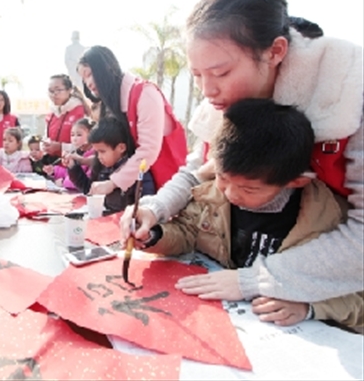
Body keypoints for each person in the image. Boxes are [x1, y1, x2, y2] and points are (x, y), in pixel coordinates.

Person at [121, 0, 363, 303]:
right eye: (197, 75)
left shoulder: (348, 96)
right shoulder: (224, 104)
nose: (207, 91)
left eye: (221, 73)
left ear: (275, 51)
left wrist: (258, 280)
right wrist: (155, 208)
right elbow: (199, 169)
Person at [140, 99, 362, 332]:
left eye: (249, 189)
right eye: (222, 178)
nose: (230, 194)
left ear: (296, 182)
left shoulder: (328, 222)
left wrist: (309, 307)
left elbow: (356, 297)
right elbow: (188, 231)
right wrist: (153, 236)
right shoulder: (213, 195)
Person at [77, 46, 187, 197]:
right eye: (84, 79)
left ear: (105, 67)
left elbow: (148, 150)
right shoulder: (111, 103)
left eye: (89, 74)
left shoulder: (145, 93)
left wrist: (113, 183)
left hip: (162, 182)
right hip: (136, 185)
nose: (88, 83)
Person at [67, 116, 155, 213]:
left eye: (102, 151)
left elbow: (146, 205)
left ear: (121, 148)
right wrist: (73, 168)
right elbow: (90, 190)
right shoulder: (102, 167)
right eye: (97, 152)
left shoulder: (137, 172)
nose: (99, 157)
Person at [42, 74, 89, 163]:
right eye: (50, 91)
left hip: (75, 164)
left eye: (58, 90)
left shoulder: (80, 112)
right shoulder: (51, 114)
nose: (54, 94)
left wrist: (61, 147)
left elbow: (86, 145)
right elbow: (45, 137)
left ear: (69, 90)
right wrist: (44, 145)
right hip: (54, 165)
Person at [44, 118, 95, 190]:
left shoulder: (93, 156)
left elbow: (85, 182)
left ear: (91, 135)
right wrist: (54, 171)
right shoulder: (77, 152)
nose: (74, 139)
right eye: (72, 135)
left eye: (79, 135)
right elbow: (68, 173)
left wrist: (63, 182)